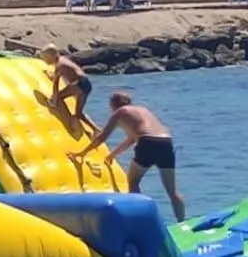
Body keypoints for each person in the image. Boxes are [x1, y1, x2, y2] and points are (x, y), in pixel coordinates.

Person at [78, 91, 186, 221]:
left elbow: (102, 137)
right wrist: (112, 155)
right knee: (172, 191)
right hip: (166, 142)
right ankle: (182, 222)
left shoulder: (120, 112)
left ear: (113, 104)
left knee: (133, 182)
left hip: (147, 142)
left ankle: (143, 221)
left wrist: (82, 153)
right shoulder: (142, 110)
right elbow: (132, 139)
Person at [40, 44, 90, 122]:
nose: (45, 60)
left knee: (59, 98)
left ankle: (68, 120)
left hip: (79, 83)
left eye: (45, 58)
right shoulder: (63, 60)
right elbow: (64, 74)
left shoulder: (59, 65)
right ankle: (96, 129)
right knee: (78, 114)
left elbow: (55, 85)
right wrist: (52, 76)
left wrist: (54, 100)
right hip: (86, 83)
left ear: (51, 57)